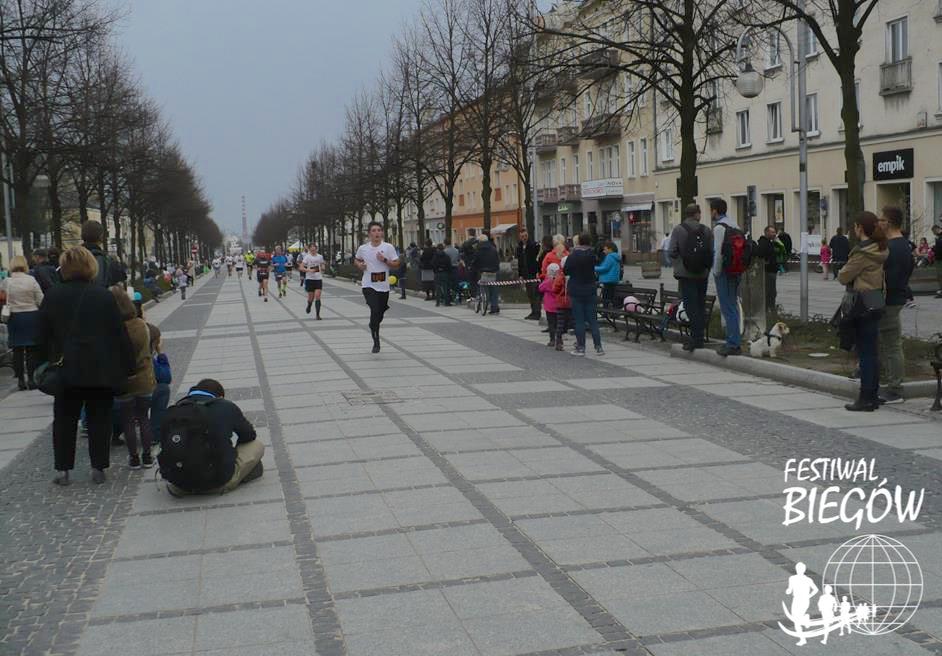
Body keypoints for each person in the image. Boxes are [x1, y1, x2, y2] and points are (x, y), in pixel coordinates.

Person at [38, 247, 134, 486]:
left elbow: (42, 335)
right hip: (99, 368)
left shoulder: (52, 295)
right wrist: (128, 366)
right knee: (99, 419)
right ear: (91, 266)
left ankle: (63, 470)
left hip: (65, 369)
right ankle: (98, 467)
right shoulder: (103, 296)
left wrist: (44, 363)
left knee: (64, 420)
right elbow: (118, 334)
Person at [160, 379, 265, 497]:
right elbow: (249, 435)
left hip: (178, 484)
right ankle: (238, 475)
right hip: (217, 482)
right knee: (257, 445)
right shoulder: (226, 406)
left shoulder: (174, 411)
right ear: (220, 396)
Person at [838, 211, 889, 412]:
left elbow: (843, 276)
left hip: (861, 302)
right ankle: (873, 394)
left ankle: (866, 398)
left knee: (865, 352)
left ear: (860, 227)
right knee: (872, 350)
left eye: (855, 226)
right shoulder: (880, 248)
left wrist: (844, 270)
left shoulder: (862, 253)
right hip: (875, 298)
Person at [111, 286, 156, 469]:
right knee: (144, 417)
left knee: (128, 420)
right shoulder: (141, 324)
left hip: (123, 379)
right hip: (144, 377)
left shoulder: (112, 328)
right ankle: (147, 456)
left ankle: (134, 458)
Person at [877, 207, 914, 405]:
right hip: (897, 297)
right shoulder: (905, 245)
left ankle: (895, 389)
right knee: (891, 343)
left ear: (889, 223)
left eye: (881, 220)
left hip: (888, 300)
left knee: (891, 345)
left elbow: (886, 277)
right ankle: (891, 382)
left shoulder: (891, 247)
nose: (878, 223)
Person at [669, 204, 712, 352]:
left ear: (686, 214)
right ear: (697, 214)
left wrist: (679, 263)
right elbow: (711, 251)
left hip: (686, 274)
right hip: (702, 274)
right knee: (700, 305)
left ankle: (696, 339)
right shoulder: (706, 230)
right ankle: (700, 337)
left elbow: (672, 251)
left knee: (690, 306)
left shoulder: (678, 229)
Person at [354, 222, 400, 353]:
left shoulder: (388, 247)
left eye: (379, 230)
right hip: (368, 285)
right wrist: (360, 265)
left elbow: (397, 263)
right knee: (374, 310)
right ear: (369, 234)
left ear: (382, 233)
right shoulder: (363, 248)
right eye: (374, 230)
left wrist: (385, 260)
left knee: (379, 313)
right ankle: (376, 341)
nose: (377, 233)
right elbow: (356, 259)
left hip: (383, 287)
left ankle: (373, 324)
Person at [4, 255, 44, 390]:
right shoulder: (31, 280)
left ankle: (20, 380)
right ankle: (31, 379)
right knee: (31, 349)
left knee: (17, 350)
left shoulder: (7, 282)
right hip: (31, 316)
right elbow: (41, 299)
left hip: (14, 317)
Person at [710, 199, 743, 356]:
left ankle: (733, 343)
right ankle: (734, 340)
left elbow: (717, 253)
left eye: (711, 210)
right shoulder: (735, 225)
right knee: (733, 306)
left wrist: (716, 272)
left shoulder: (719, 228)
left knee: (727, 307)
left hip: (724, 272)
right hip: (736, 270)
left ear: (715, 210)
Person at [564, 233, 604, 356]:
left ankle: (581, 347)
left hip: (576, 289)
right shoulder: (592, 255)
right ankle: (598, 347)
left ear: (579, 241)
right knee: (593, 320)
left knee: (579, 320)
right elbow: (597, 264)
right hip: (590, 289)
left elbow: (566, 270)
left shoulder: (573, 256)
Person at [80, 220, 126, 287]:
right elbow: (122, 276)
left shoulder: (71, 259)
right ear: (101, 237)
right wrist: (117, 262)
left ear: (82, 236)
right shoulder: (107, 260)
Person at [149, 325, 172, 441]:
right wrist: (160, 353)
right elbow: (166, 377)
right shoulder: (146, 357)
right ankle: (155, 434)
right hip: (131, 400)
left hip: (114, 399)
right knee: (163, 389)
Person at [472, 233, 500, 315]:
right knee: (494, 290)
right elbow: (497, 260)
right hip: (493, 271)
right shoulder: (493, 249)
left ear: (480, 241)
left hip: (482, 271)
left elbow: (475, 261)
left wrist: (473, 268)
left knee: (482, 287)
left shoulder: (478, 250)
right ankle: (494, 307)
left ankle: (482, 300)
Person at [516, 228, 541, 320]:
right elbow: (520, 262)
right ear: (520, 237)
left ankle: (537, 312)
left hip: (533, 273)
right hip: (525, 273)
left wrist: (538, 271)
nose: (524, 238)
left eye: (525, 236)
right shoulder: (519, 247)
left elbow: (538, 259)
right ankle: (533, 311)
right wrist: (520, 275)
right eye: (522, 236)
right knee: (530, 294)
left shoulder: (533, 245)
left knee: (535, 293)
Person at [754, 225, 779, 315]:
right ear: (766, 232)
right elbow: (761, 255)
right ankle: (768, 310)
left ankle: (769, 310)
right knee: (770, 292)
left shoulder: (770, 242)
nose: (774, 234)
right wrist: (767, 262)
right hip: (768, 272)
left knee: (771, 292)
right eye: (772, 232)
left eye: (774, 232)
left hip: (771, 271)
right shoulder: (764, 243)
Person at [300, 243, 325, 318]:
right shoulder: (307, 257)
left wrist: (323, 267)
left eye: (314, 249)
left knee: (317, 296)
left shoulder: (320, 256)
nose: (313, 250)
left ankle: (318, 315)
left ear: (316, 249)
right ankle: (309, 305)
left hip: (318, 278)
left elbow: (322, 264)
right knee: (311, 297)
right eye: (311, 249)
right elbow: (301, 267)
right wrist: (309, 270)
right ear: (309, 249)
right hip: (310, 279)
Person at [538, 263, 561, 347]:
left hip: (549, 306)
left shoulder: (548, 281)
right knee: (559, 324)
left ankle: (552, 340)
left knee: (551, 324)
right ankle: (559, 340)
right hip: (558, 305)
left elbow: (540, 288)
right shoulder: (560, 281)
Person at [595, 241, 621, 308]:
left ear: (610, 249)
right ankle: (609, 310)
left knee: (606, 298)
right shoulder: (616, 256)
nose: (604, 251)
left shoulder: (609, 257)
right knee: (610, 297)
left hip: (607, 280)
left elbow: (605, 268)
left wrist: (593, 268)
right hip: (613, 280)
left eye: (605, 249)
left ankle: (606, 310)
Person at [933, 225, 942, 298]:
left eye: (933, 232)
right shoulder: (938, 237)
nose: (934, 233)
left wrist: (934, 249)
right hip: (939, 258)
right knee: (939, 276)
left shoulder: (940, 237)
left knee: (940, 275)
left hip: (940, 259)